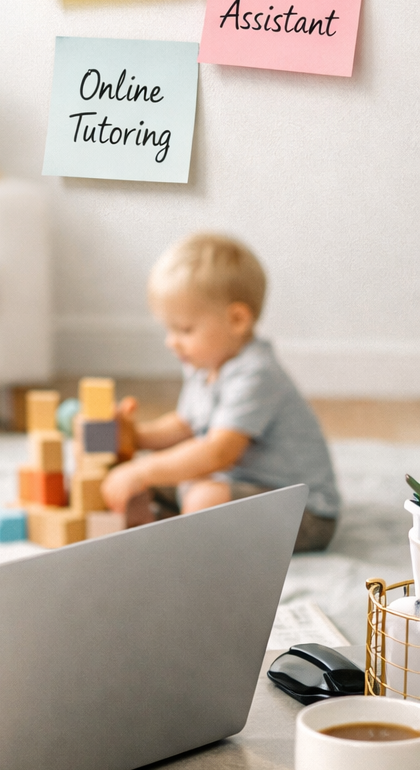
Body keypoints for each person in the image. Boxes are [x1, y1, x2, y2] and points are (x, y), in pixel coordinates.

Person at [100, 233, 339, 553]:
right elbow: (185, 425)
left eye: (184, 330)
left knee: (199, 496)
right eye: (169, 329)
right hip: (233, 485)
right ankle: (160, 527)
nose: (171, 342)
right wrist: (137, 437)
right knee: (135, 480)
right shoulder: (205, 364)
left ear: (237, 319)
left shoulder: (257, 373)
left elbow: (217, 453)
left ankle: (185, 538)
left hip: (302, 512)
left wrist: (143, 471)